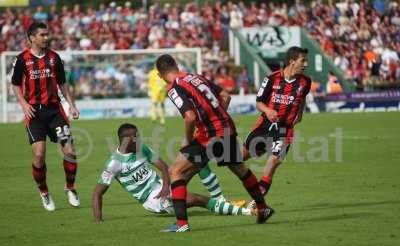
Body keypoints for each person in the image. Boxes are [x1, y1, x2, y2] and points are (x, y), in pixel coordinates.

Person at [156, 54, 274, 232]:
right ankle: (262, 207)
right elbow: (226, 96)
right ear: (176, 65)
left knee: (175, 171)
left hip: (208, 135)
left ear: (159, 74)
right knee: (239, 169)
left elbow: (189, 117)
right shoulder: (195, 77)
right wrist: (216, 119)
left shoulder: (174, 87)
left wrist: (189, 139)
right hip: (226, 128)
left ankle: (181, 224)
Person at [92, 124, 254, 222]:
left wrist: (166, 186)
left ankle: (220, 199)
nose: (139, 139)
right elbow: (97, 194)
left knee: (197, 161)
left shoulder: (141, 148)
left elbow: (162, 166)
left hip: (163, 186)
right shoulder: (113, 164)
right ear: (126, 140)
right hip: (152, 200)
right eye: (135, 137)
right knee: (198, 199)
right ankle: (247, 212)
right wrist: (98, 220)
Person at [11, 22, 80, 211]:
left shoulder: (54, 58)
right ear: (32, 37)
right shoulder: (22, 59)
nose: (46, 38)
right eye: (42, 35)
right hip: (35, 113)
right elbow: (15, 84)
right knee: (39, 155)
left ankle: (70, 188)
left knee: (70, 152)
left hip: (55, 111)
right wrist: (24, 105)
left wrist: (71, 105)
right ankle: (44, 192)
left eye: (47, 34)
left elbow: (63, 84)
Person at [242, 46, 311, 204]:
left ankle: (257, 202)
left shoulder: (305, 82)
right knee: (237, 158)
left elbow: (303, 98)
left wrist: (299, 115)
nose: (306, 64)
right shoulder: (271, 79)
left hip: (284, 130)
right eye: (303, 60)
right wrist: (268, 111)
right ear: (292, 61)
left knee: (273, 163)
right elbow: (259, 102)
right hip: (264, 125)